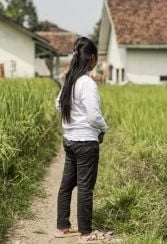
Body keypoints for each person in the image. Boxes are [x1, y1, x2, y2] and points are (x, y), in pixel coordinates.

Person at [55, 37, 108, 243]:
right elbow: (94, 116)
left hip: (69, 139)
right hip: (86, 142)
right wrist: (104, 127)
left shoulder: (70, 80)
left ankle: (62, 227)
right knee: (85, 187)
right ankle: (86, 233)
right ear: (92, 59)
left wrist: (73, 119)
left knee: (67, 184)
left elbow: (58, 104)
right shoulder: (87, 83)